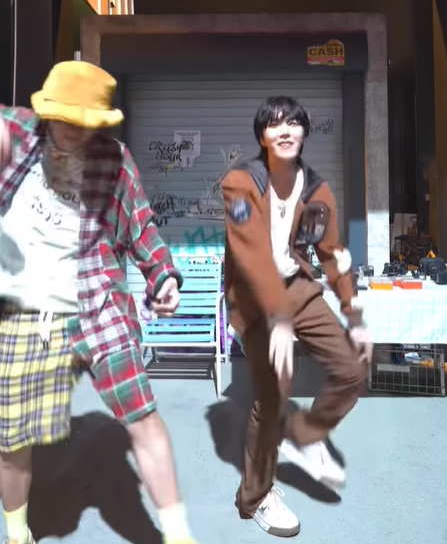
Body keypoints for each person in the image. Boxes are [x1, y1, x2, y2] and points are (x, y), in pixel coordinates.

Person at [0, 61, 198, 544]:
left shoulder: (115, 160)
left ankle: (177, 536)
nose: (73, 130)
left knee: (142, 416)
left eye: (84, 122)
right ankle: (17, 531)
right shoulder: (17, 133)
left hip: (96, 300)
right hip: (23, 309)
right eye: (65, 119)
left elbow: (142, 227)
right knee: (12, 439)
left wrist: (163, 276)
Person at [221, 96, 373, 538]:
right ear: (262, 137)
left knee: (352, 369)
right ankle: (253, 498)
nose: (285, 130)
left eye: (293, 123)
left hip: (298, 288)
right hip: (254, 296)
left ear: (304, 133)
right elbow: (250, 256)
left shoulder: (316, 191)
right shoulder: (240, 183)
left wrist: (353, 313)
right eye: (274, 124)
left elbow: (333, 253)